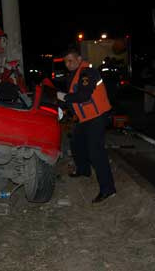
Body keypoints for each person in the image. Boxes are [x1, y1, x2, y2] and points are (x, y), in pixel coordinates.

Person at [56, 48, 117, 203]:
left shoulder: (87, 73)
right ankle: (84, 170)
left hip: (98, 117)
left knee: (96, 152)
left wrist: (64, 97)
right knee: (76, 142)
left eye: (70, 60)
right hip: (86, 118)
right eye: (65, 62)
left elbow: (83, 96)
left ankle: (108, 189)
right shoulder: (74, 74)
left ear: (79, 59)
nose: (68, 64)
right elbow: (73, 100)